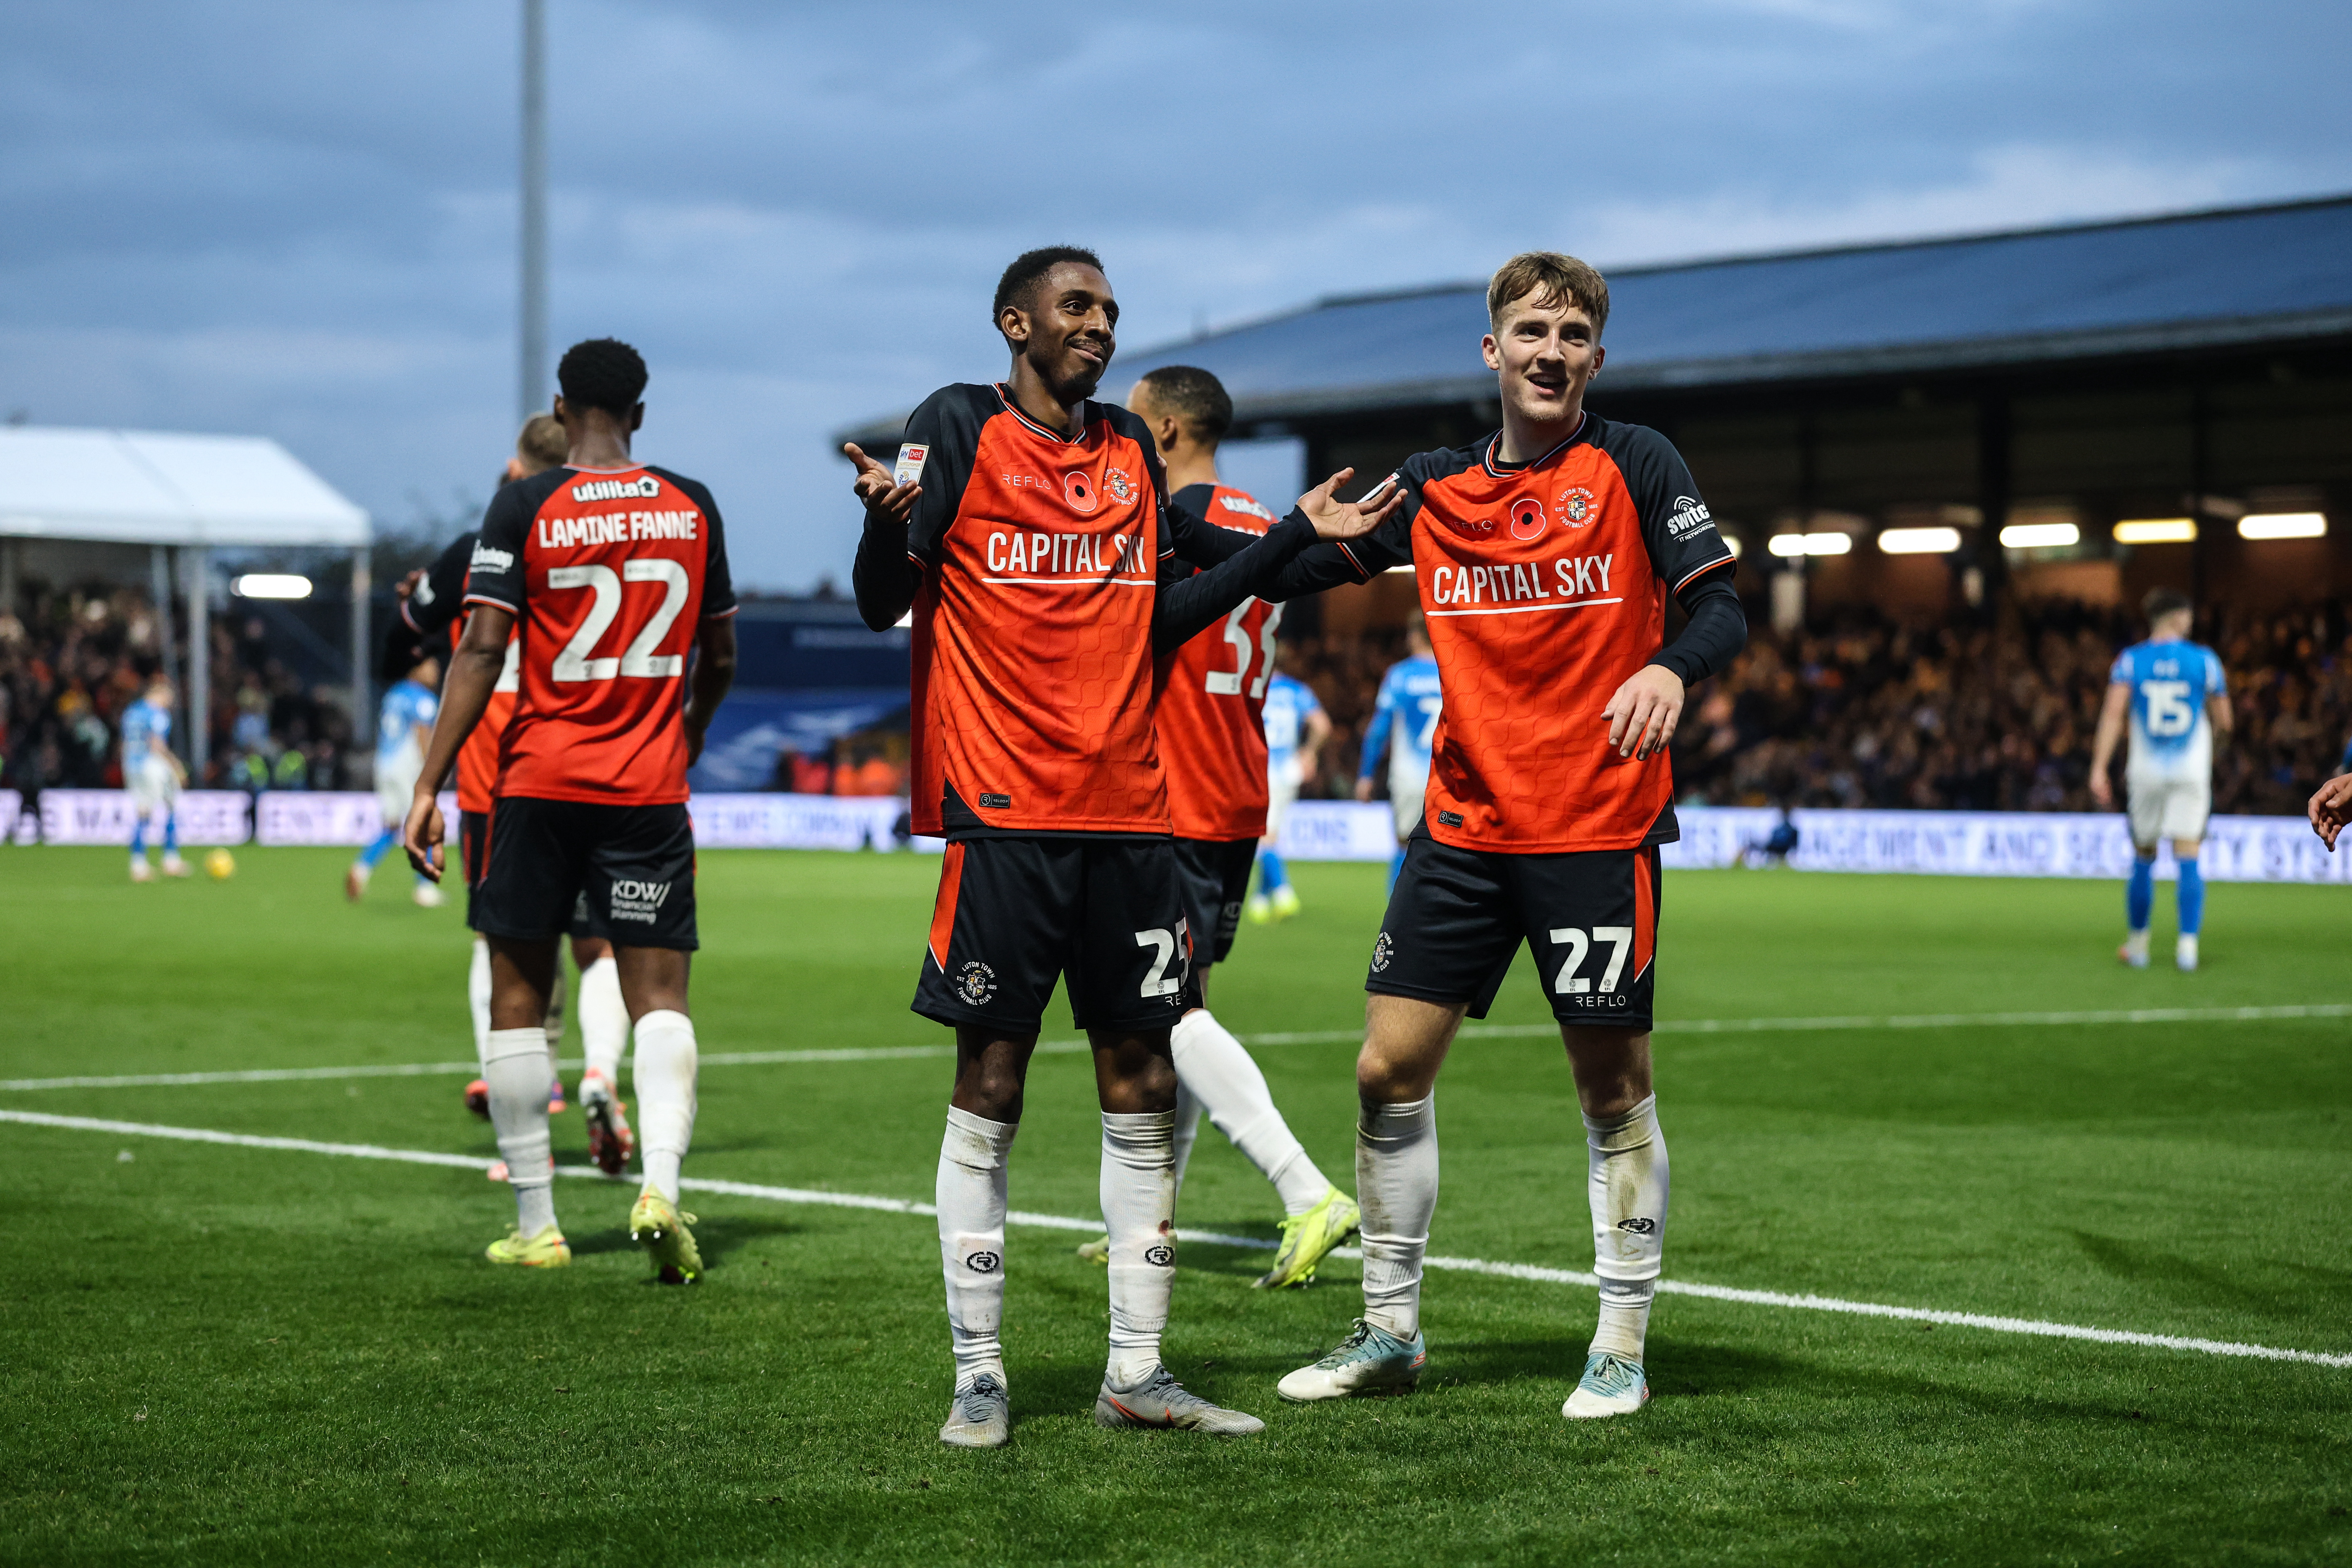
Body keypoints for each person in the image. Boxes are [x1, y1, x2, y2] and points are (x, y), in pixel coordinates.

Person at [844, 245, 1401, 1450]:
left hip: (1134, 817)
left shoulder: (1127, 455)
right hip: (1006, 817)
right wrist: (890, 528)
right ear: (1015, 323)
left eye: (1107, 310)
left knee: (1141, 1086)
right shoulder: (954, 426)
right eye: (1075, 307)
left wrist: (1281, 548)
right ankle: (979, 1372)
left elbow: (1159, 614)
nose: (1097, 325)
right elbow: (881, 600)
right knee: (988, 1088)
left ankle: (1136, 1373)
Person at [1248, 252, 1744, 1421]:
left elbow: (1715, 600)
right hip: (1461, 832)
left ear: (1595, 359)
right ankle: (1387, 1330)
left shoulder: (1634, 463)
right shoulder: (1430, 488)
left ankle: (1619, 1341)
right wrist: (1273, 537)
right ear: (1492, 350)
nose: (1551, 352)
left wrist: (1674, 666)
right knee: (1385, 1072)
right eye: (1532, 330)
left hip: (1592, 824)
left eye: (1574, 335)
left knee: (1611, 1089)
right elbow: (1303, 563)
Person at [402, 338, 738, 1280]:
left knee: (517, 995)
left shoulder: (525, 503)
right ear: (641, 410)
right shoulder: (692, 504)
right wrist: (692, 735)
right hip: (647, 788)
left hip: (537, 784)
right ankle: (661, 1183)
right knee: (661, 1000)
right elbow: (719, 661)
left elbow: (477, 652)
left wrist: (429, 786)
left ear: (561, 402)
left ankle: (537, 1223)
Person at [1063, 363, 1358, 1290]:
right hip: (1235, 792)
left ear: (1166, 436)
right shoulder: (1266, 521)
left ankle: (1307, 1191)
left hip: (1171, 797)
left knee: (1166, 1010)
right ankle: (1156, 1215)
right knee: (1175, 1006)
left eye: (1133, 425)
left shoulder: (1165, 525)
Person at [399, 412, 633, 1164]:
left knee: (503, 949)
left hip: (497, 776)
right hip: (596, 765)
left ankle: (516, 1129)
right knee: (599, 948)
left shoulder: (483, 547)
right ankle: (599, 1072)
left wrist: (423, 594)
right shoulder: (614, 536)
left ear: (512, 468)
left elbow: (417, 619)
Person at [2089, 588, 2232, 972]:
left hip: (2147, 770)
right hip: (2189, 770)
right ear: (2175, 617)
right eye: (2187, 615)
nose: (2191, 622)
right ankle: (2187, 949)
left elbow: (2112, 716)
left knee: (2143, 857)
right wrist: (2212, 752)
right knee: (2189, 856)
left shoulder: (2130, 661)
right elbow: (2226, 722)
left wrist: (2099, 767)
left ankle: (2138, 946)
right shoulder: (2205, 661)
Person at [347, 652, 444, 907]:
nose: (436, 672)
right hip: (406, 767)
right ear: (416, 670)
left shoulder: (394, 694)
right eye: (430, 666)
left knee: (391, 827)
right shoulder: (423, 699)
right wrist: (432, 771)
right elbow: (422, 733)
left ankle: (361, 869)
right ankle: (424, 888)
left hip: (384, 764)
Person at [1355, 614, 1442, 891]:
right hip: (1449, 779)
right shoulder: (1454, 671)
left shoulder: (1400, 676)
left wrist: (1366, 775)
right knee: (1447, 848)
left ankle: (1397, 920)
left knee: (1404, 843)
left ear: (1414, 636)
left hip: (1410, 779)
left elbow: (1379, 731)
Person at [1248, 648, 1329, 923]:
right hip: (1286, 771)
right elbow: (1322, 724)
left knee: (1265, 837)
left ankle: (1284, 893)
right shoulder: (1297, 691)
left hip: (1259, 770)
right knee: (1269, 835)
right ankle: (1260, 901)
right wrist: (1309, 752)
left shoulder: (1252, 689)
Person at [121, 674, 188, 882]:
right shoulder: (158, 714)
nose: (170, 701)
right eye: (169, 695)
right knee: (170, 806)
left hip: (132, 764)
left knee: (144, 810)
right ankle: (166, 861)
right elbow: (157, 744)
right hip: (152, 765)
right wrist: (176, 766)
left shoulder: (131, 712)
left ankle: (144, 863)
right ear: (159, 692)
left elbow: (125, 743)